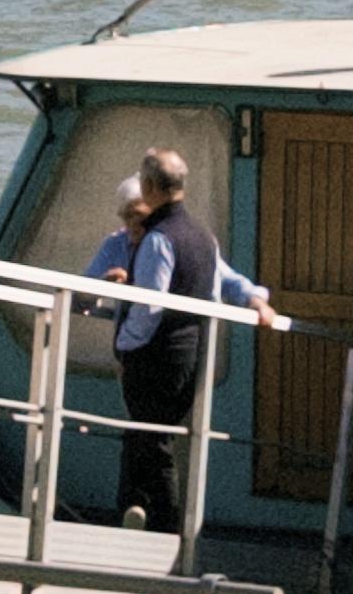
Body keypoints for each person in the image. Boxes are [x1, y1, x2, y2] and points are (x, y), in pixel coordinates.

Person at [110, 149, 276, 540]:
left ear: (150, 187)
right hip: (193, 351)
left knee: (153, 442)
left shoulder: (158, 239)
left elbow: (150, 305)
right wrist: (256, 297)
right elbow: (220, 285)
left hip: (156, 357)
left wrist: (124, 346)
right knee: (153, 439)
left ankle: (162, 528)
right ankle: (139, 513)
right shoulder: (203, 236)